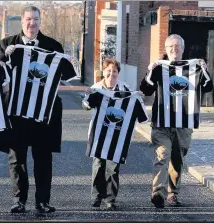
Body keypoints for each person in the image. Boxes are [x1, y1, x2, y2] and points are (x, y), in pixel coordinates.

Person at [0, 5, 65, 214]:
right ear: (22, 21)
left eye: (35, 19)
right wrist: (5, 57)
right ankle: (19, 200)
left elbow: (66, 74)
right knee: (17, 159)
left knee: (43, 159)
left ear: (40, 21)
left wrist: (66, 59)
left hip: (44, 113)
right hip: (17, 113)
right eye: (28, 19)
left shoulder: (54, 46)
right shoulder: (7, 44)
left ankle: (42, 201)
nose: (32, 23)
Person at [140, 34, 213, 208]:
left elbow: (209, 87)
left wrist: (204, 69)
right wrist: (150, 70)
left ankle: (173, 194)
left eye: (177, 46)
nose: (174, 49)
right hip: (161, 123)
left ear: (182, 48)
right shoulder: (159, 68)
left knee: (177, 160)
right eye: (171, 46)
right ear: (166, 49)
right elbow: (145, 90)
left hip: (184, 124)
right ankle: (158, 192)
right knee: (162, 156)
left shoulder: (193, 67)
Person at [83, 58, 148, 211]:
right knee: (98, 165)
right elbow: (86, 106)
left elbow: (141, 116)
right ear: (103, 72)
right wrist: (88, 95)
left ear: (118, 73)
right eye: (109, 71)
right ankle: (96, 197)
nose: (111, 74)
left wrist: (138, 97)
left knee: (112, 168)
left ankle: (110, 199)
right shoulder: (97, 88)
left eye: (115, 71)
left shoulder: (126, 90)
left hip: (117, 137)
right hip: (99, 134)